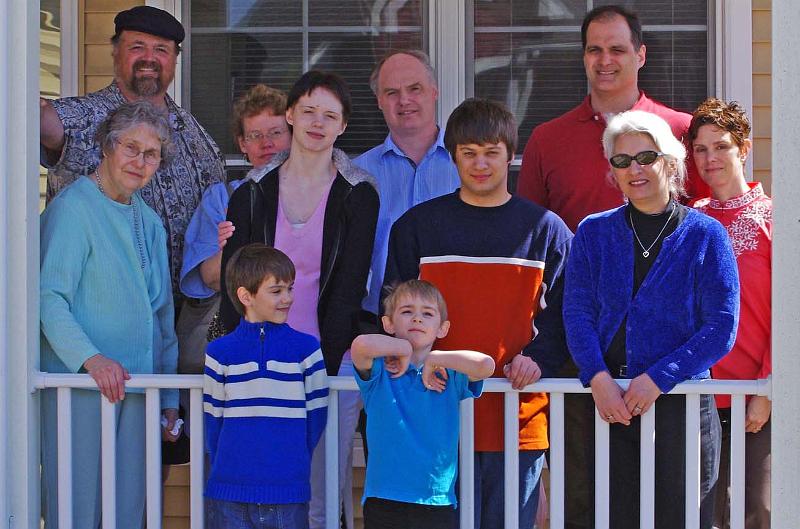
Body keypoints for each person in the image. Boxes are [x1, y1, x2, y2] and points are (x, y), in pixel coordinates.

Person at [515, 7, 709, 526]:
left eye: (618, 49)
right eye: (594, 49)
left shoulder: (682, 132)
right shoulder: (548, 140)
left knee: (671, 505)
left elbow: (715, 233)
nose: (605, 61)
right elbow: (529, 248)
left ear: (641, 55)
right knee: (588, 501)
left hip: (671, 368)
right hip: (581, 359)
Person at [384, 98, 572, 528]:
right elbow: (393, 313)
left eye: (491, 152)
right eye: (468, 153)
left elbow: (567, 315)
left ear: (510, 154)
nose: (480, 164)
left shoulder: (546, 230)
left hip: (516, 416)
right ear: (452, 157)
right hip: (434, 418)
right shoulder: (416, 228)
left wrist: (539, 359)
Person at [563, 109, 739, 529]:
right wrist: (598, 378)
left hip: (680, 405)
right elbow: (577, 312)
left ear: (671, 160)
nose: (634, 169)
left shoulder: (705, 233)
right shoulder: (593, 232)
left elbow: (721, 325)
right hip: (609, 405)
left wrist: (660, 377)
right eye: (622, 161)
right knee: (609, 517)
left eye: (646, 157)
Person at [218, 70, 379, 529]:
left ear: (343, 126)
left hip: (330, 358)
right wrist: (245, 357)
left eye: (330, 115)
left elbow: (350, 286)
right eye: (308, 111)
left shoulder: (359, 192)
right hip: (262, 359)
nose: (317, 122)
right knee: (267, 486)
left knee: (322, 494)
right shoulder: (251, 192)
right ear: (290, 115)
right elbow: (236, 286)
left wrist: (323, 369)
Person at [40, 101, 181, 528]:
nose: (140, 161)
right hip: (81, 388)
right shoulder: (73, 210)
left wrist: (170, 400)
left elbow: (162, 318)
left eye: (151, 153)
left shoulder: (149, 221)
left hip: (138, 391)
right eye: (130, 147)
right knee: (79, 510)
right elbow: (48, 297)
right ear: (106, 146)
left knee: (128, 512)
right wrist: (92, 359)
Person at [39, 5, 225, 298]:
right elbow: (40, 122)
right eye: (137, 46)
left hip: (184, 313)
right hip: (102, 309)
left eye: (161, 50)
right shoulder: (82, 116)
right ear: (115, 52)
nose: (149, 58)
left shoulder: (195, 132)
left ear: (175, 59)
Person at [351, 279, 494, 529]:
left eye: (427, 314)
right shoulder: (381, 370)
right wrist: (403, 348)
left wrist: (435, 358)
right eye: (407, 312)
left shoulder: (450, 374)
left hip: (435, 498)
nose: (417, 319)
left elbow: (486, 365)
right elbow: (360, 346)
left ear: (442, 328)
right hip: (384, 496)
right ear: (388, 323)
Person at [204, 244, 328, 529]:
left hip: (287, 491)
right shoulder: (219, 352)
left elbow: (316, 418)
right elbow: (213, 421)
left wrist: (289, 460)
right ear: (246, 296)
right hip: (229, 493)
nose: (287, 298)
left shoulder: (307, 349)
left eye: (290, 289)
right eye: (276, 291)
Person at [689, 98, 771, 529]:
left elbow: (787, 315)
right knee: (701, 514)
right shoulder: (688, 223)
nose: (710, 158)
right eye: (700, 149)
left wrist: (769, 389)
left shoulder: (774, 219)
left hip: (758, 397)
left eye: (720, 146)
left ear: (744, 147)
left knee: (759, 511)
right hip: (699, 395)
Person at [178, 84, 291, 375]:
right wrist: (231, 248)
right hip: (230, 343)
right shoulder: (222, 198)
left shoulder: (318, 196)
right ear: (242, 144)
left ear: (293, 134)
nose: (266, 143)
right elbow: (210, 278)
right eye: (255, 135)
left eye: (276, 133)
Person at [354, 49, 461, 316]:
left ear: (434, 92)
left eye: (415, 89)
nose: (404, 100)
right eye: (391, 92)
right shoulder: (356, 175)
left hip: (458, 316)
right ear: (378, 100)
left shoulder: (467, 165)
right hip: (381, 323)